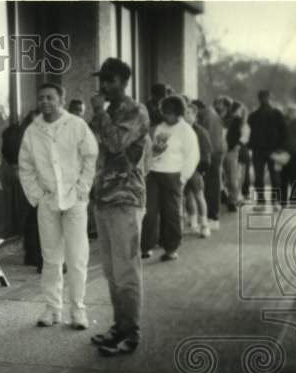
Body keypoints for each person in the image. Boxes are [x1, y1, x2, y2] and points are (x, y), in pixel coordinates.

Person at [18, 82, 98, 330]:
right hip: (48, 200)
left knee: (76, 258)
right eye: (41, 98)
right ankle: (52, 309)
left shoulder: (76, 125)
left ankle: (78, 310)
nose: (45, 102)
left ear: (61, 100)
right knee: (50, 258)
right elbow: (26, 166)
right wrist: (37, 195)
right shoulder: (33, 130)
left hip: (74, 201)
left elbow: (90, 157)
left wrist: (82, 190)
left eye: (50, 98)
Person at [88, 57, 152, 357]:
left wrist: (99, 113)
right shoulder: (108, 112)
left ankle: (132, 333)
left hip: (125, 198)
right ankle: (119, 326)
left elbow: (115, 144)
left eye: (109, 80)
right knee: (112, 271)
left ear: (123, 82)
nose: (103, 85)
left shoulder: (135, 111)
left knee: (126, 270)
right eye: (102, 79)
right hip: (102, 198)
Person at [142, 95, 200, 261]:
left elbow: (193, 157)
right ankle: (146, 246)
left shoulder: (186, 131)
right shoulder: (161, 127)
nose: (165, 116)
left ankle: (171, 248)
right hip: (154, 174)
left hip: (173, 176)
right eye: (164, 112)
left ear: (178, 113)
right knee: (149, 212)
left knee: (171, 213)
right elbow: (154, 150)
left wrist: (182, 178)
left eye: (169, 113)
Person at [2, 110, 43, 270]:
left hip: (20, 175)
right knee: (36, 216)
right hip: (29, 177)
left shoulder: (20, 131)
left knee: (31, 215)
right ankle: (36, 255)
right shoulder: (29, 133)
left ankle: (31, 253)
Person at [248, 89, 288, 207]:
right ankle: (268, 200)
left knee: (267, 177)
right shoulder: (274, 114)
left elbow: (284, 132)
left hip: (265, 150)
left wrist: (280, 148)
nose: (265, 100)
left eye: (266, 98)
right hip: (266, 150)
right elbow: (284, 132)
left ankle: (267, 200)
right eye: (264, 98)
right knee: (267, 177)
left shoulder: (255, 115)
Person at [183, 100, 212, 238]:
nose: (186, 116)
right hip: (182, 169)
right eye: (184, 113)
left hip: (196, 169)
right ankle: (193, 223)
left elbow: (206, 152)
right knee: (188, 196)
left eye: (189, 113)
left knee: (199, 195)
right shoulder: (181, 130)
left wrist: (201, 169)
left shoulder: (201, 132)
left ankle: (204, 225)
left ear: (195, 115)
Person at [195, 99, 225, 230]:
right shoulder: (212, 115)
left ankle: (212, 217)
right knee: (213, 185)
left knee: (211, 186)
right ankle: (212, 217)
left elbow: (207, 139)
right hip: (216, 152)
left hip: (212, 154)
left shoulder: (206, 117)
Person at [222, 100, 250, 211]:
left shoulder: (232, 120)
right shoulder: (238, 121)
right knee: (232, 176)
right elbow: (245, 135)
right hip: (230, 150)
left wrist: (238, 145)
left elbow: (244, 135)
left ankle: (232, 199)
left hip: (229, 150)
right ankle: (232, 199)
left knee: (231, 176)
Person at [279, 105, 296, 207]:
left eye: (294, 111)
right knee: (283, 177)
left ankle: (295, 199)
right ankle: (282, 200)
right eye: (290, 111)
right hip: (283, 153)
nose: (292, 113)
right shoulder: (282, 122)